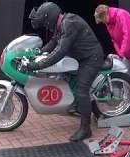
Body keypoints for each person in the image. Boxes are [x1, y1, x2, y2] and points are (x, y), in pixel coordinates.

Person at [27, 2, 105, 141]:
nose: (46, 26)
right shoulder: (61, 24)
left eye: (45, 22)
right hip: (80, 57)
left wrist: (38, 65)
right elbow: (53, 42)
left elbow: (60, 50)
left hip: (91, 58)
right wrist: (38, 52)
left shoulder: (70, 23)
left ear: (49, 17)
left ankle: (85, 129)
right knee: (65, 78)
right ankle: (76, 106)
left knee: (82, 91)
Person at [94, 4, 130, 112]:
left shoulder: (122, 15)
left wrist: (121, 53)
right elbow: (114, 40)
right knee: (126, 80)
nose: (104, 23)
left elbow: (128, 37)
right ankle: (128, 103)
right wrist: (119, 53)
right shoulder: (109, 22)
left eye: (103, 20)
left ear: (106, 14)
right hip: (128, 53)